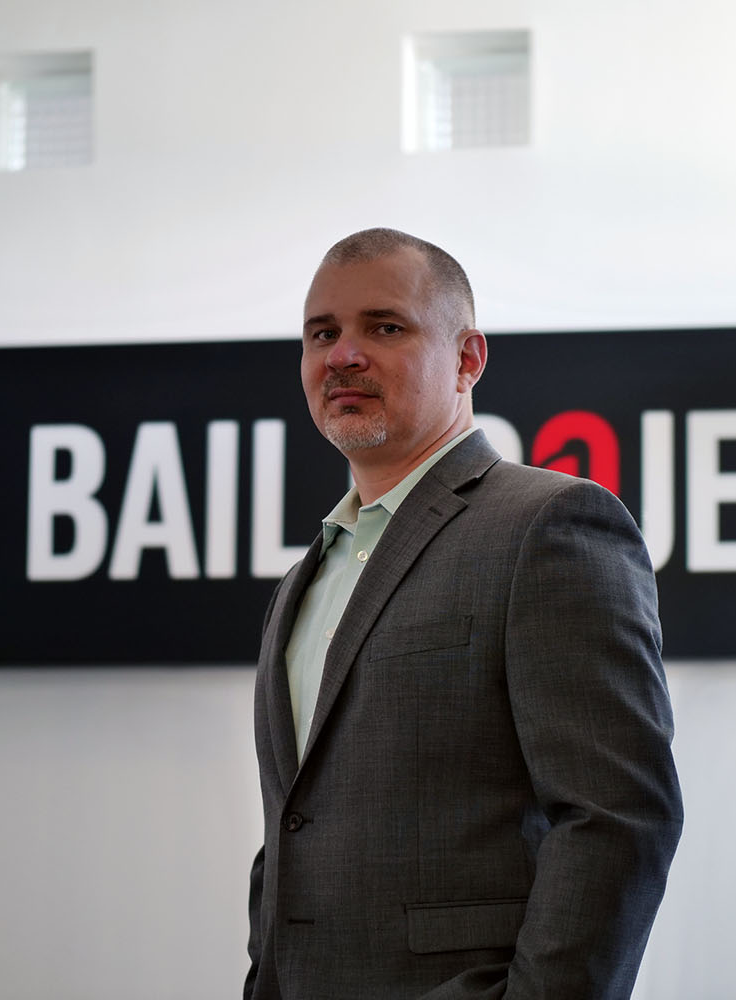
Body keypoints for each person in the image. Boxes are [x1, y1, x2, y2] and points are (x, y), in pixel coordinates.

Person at [245, 228, 682, 999]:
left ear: (467, 359)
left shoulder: (550, 525)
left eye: (385, 327)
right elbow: (294, 832)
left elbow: (616, 819)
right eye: (323, 333)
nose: (343, 354)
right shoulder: (303, 580)